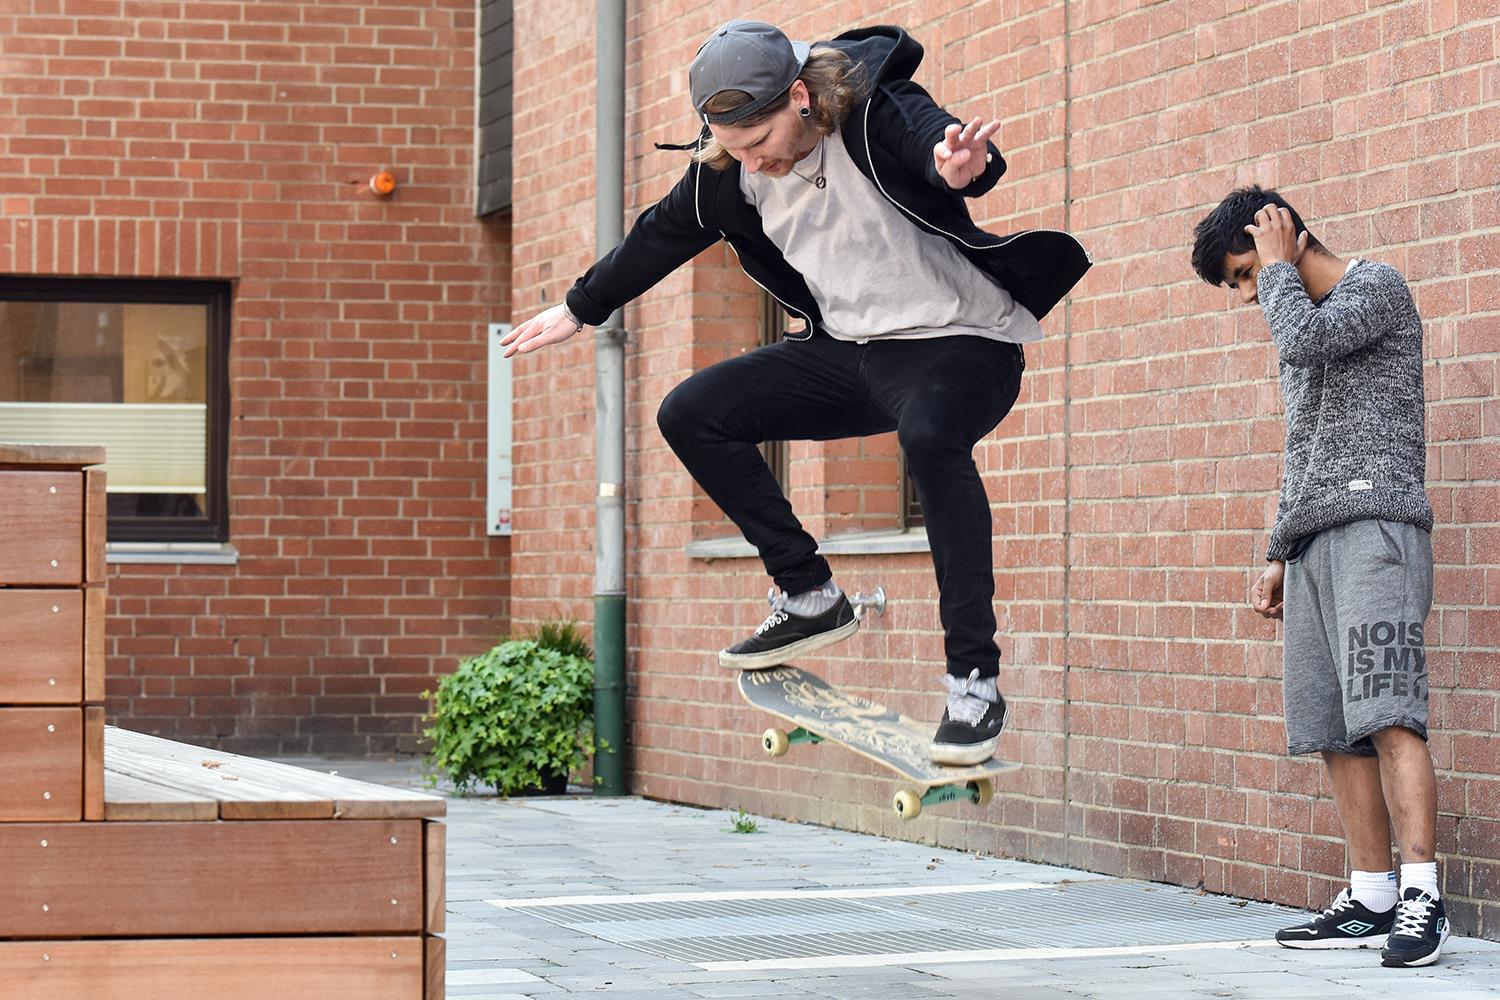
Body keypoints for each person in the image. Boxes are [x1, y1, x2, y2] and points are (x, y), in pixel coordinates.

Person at [503, 20, 1090, 765]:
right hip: (853, 355)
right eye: (735, 149)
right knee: (692, 412)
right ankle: (809, 593)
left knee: (930, 438)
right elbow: (659, 233)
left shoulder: (873, 109)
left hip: (961, 343)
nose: (754, 162)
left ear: (801, 98)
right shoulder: (731, 170)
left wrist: (958, 169)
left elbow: (935, 142)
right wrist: (579, 308)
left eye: (760, 141)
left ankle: (973, 682)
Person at [1191, 186, 1446, 967]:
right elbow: (1301, 445)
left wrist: (1276, 269)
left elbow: (1307, 341)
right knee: (1332, 728)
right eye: (1239, 283)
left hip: (1377, 531)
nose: (1247, 294)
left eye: (1243, 273)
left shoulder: (1377, 287)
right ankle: (1370, 895)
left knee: (1390, 715)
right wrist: (1279, 550)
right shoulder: (1293, 314)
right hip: (1313, 544)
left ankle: (1423, 898)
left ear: (1284, 236)